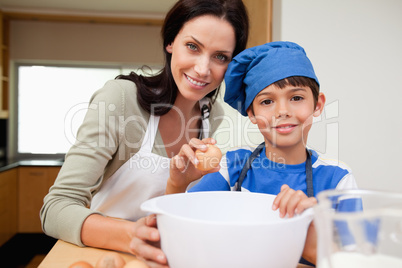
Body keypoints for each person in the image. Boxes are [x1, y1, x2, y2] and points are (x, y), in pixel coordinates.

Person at [40, 1, 249, 267]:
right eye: (193, 47)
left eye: (220, 56)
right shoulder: (122, 100)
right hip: (101, 256)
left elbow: (172, 209)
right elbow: (55, 208)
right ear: (171, 41)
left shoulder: (211, 114)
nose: (202, 69)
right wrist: (134, 236)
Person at [166, 41, 358, 265]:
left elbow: (357, 261)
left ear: (318, 104)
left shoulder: (338, 179)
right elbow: (176, 229)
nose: (283, 111)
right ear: (252, 113)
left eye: (296, 98)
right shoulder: (233, 166)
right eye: (267, 101)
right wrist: (177, 184)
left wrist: (314, 243)